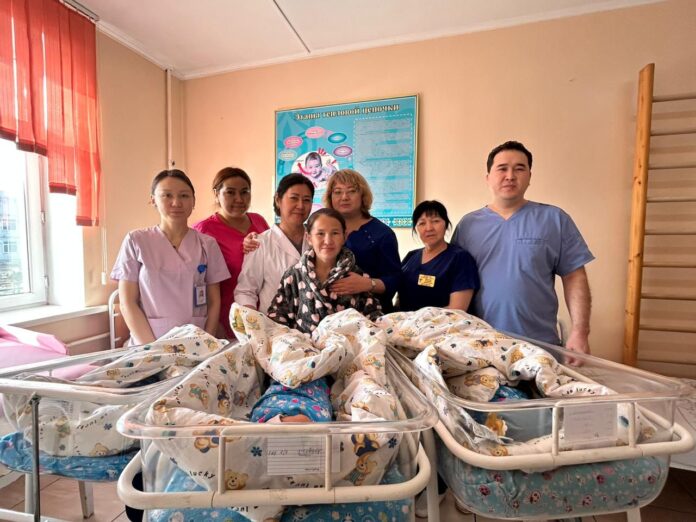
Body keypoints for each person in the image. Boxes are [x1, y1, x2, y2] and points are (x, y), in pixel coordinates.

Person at [451, 141, 594, 354]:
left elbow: (574, 276)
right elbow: (454, 282)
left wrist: (580, 332)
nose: (510, 176)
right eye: (502, 168)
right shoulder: (467, 225)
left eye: (519, 168)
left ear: (529, 176)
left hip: (539, 346)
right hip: (480, 345)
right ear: (488, 177)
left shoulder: (554, 219)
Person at [111, 169, 230, 346]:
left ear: (193, 201)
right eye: (167, 195)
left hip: (196, 343)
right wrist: (152, 350)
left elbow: (214, 302)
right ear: (153, 200)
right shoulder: (136, 241)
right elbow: (127, 302)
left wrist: (207, 344)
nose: (176, 203)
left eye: (184, 196)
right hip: (148, 343)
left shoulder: (207, 244)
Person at [267, 208, 383, 332]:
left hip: (348, 342)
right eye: (320, 234)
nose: (328, 241)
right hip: (304, 343)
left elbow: (373, 318)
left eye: (335, 233)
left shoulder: (355, 275)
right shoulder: (293, 276)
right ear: (309, 238)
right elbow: (277, 320)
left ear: (344, 236)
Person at [193, 167, 269, 338]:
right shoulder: (204, 230)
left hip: (260, 315)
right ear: (216, 194)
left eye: (244, 192)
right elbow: (196, 282)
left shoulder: (259, 221)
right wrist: (213, 324)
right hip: (223, 319)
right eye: (230, 192)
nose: (239, 199)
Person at [322, 169, 401, 312]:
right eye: (338, 192)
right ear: (330, 197)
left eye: (351, 191)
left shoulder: (382, 234)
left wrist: (368, 284)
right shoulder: (321, 230)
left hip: (373, 315)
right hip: (328, 314)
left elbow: (395, 280)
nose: (344, 197)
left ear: (362, 196)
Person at [235, 174, 314, 314]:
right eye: (294, 198)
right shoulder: (260, 243)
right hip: (274, 324)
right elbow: (246, 291)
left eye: (306, 200)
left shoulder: (318, 240)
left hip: (315, 323)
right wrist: (254, 321)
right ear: (278, 200)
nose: (301, 205)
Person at [398, 200, 479, 312]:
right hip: (405, 322)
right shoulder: (410, 256)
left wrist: (417, 319)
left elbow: (457, 309)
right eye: (422, 223)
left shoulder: (460, 258)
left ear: (446, 225)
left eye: (435, 221)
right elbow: (399, 298)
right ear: (416, 229)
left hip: (443, 323)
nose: (429, 228)